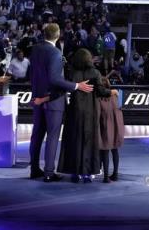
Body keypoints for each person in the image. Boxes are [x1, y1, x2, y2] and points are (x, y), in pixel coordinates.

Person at [29, 23, 92, 183]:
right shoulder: (55, 52)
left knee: (37, 135)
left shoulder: (35, 49)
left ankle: (34, 169)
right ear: (57, 35)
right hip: (54, 101)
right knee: (52, 136)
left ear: (44, 34)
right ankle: (49, 172)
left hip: (37, 99)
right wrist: (76, 86)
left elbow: (32, 74)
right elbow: (55, 79)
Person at [57, 48, 116, 183]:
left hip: (74, 112)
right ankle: (87, 174)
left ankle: (75, 173)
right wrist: (112, 92)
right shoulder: (95, 73)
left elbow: (65, 87)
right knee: (88, 141)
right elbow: (101, 91)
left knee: (74, 140)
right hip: (90, 111)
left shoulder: (72, 73)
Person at [99, 77, 124, 183]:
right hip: (116, 126)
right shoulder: (117, 96)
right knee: (115, 150)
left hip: (105, 126)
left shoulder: (99, 98)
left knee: (105, 150)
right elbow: (120, 109)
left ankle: (106, 177)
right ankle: (115, 174)